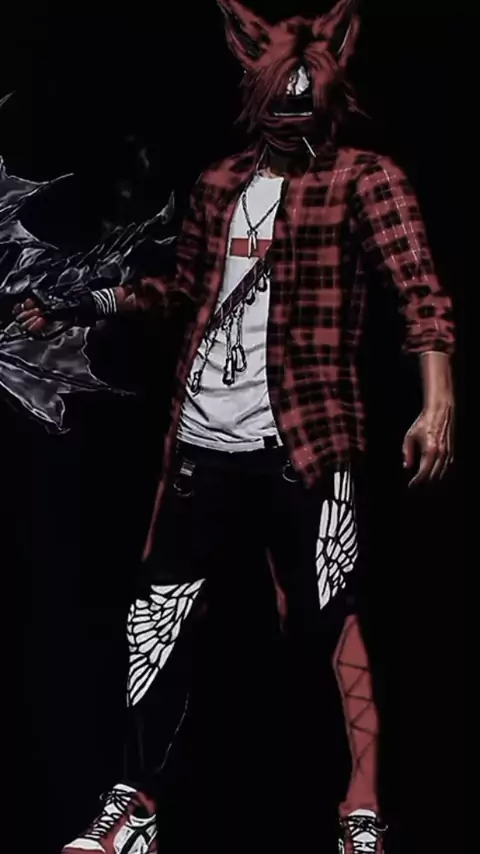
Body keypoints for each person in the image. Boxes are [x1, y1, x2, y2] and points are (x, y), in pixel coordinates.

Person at [17, 1, 455, 852]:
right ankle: (134, 809)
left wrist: (438, 403)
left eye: (304, 93)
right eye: (277, 93)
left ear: (328, 90)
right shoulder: (220, 183)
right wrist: (88, 302)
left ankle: (361, 813)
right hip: (200, 445)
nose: (290, 109)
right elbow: (184, 292)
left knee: (333, 623)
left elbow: (421, 294)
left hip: (308, 447)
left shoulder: (364, 179)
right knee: (159, 619)